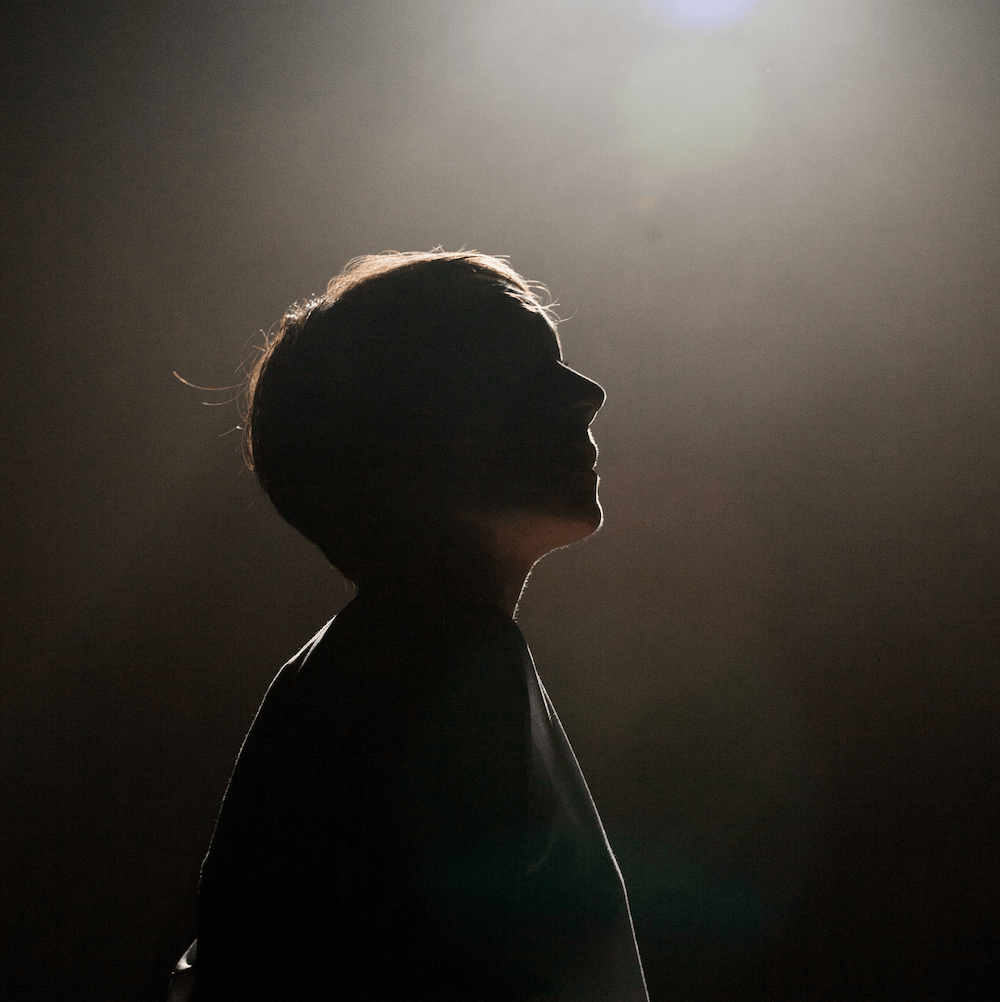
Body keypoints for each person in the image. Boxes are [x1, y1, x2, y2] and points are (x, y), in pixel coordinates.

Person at [173, 251, 648, 1001]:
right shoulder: (438, 667)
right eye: (520, 373)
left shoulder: (367, 665)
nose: (588, 394)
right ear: (420, 433)